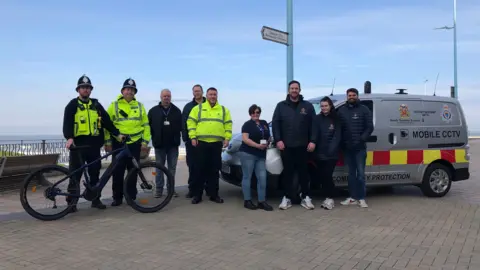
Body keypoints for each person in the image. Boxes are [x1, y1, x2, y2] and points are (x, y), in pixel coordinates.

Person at [62, 74, 124, 213]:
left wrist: (117, 134)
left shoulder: (96, 105)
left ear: (91, 90)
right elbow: (67, 123)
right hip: (78, 146)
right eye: (83, 88)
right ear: (78, 90)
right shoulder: (72, 105)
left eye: (88, 88)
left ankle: (95, 199)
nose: (86, 90)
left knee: (95, 174)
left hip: (94, 146)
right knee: (75, 175)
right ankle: (72, 203)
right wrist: (69, 137)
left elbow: (107, 122)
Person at [104, 78, 151, 206]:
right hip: (118, 144)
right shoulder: (114, 105)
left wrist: (145, 142)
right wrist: (107, 142)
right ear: (123, 91)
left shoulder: (140, 106)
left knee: (133, 171)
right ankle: (117, 198)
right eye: (127, 89)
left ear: (134, 92)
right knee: (117, 171)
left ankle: (131, 197)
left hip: (135, 143)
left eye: (132, 90)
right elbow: (107, 125)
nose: (129, 92)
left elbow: (146, 125)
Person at [272, 80, 317, 210]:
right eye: (292, 88)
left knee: (304, 173)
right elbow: (276, 125)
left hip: (304, 146)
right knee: (288, 173)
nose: (294, 90)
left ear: (300, 90)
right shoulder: (281, 106)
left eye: (296, 88)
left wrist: (313, 141)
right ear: (288, 90)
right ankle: (287, 198)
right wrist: (278, 140)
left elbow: (314, 125)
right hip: (286, 147)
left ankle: (306, 197)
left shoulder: (307, 106)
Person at [186, 87, 232, 204]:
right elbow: (190, 122)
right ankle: (197, 195)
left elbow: (228, 125)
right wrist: (193, 136)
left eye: (214, 94)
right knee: (199, 170)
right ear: (207, 95)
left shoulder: (223, 110)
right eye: (210, 94)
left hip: (216, 144)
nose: (212, 96)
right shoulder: (198, 108)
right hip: (201, 143)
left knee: (214, 170)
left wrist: (227, 138)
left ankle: (214, 194)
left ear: (217, 96)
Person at [337, 88, 374, 208]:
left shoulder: (364, 109)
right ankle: (352, 197)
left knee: (361, 174)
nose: (351, 97)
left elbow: (370, 127)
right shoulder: (341, 110)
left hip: (360, 148)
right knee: (351, 174)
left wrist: (361, 139)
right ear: (346, 97)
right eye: (349, 95)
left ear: (357, 96)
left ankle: (361, 198)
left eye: (353, 95)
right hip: (347, 148)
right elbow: (339, 128)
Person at [238, 105, 274, 211]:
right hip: (248, 153)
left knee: (262, 178)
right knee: (247, 177)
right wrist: (257, 146)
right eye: (253, 112)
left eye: (257, 112)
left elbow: (268, 136)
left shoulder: (264, 123)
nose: (255, 114)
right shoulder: (247, 125)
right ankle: (247, 201)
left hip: (261, 155)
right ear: (250, 114)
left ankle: (261, 201)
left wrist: (268, 142)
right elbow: (245, 139)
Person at [148, 88, 182, 198]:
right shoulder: (153, 111)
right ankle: (159, 190)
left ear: (171, 97)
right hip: (159, 145)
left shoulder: (177, 111)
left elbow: (182, 127)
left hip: (173, 145)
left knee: (172, 169)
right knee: (159, 168)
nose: (166, 98)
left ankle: (170, 190)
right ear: (160, 97)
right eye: (164, 96)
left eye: (168, 96)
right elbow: (148, 128)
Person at [313, 96, 342, 210]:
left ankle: (330, 198)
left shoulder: (336, 119)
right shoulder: (317, 118)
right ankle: (328, 197)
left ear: (330, 106)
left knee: (328, 175)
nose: (324, 108)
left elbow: (337, 136)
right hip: (319, 153)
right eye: (322, 106)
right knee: (323, 176)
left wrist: (331, 150)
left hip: (331, 154)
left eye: (326, 106)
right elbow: (314, 134)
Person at [181, 84, 206, 198]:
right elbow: (184, 124)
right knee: (192, 166)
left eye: (198, 91)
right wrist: (187, 139)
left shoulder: (209, 105)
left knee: (206, 165)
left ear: (202, 92)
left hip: (206, 141)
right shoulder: (188, 107)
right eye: (195, 91)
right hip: (192, 142)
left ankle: (207, 189)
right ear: (193, 93)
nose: (197, 93)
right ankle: (192, 189)